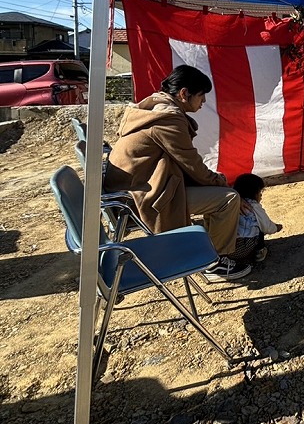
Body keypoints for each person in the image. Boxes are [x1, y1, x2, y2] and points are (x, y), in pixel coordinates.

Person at [103, 64, 247, 282]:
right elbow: (192, 165)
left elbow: (187, 166)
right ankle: (212, 261)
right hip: (139, 199)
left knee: (214, 186)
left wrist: (214, 181)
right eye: (201, 96)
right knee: (227, 199)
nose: (204, 102)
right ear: (183, 94)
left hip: (128, 192)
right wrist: (222, 183)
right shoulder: (168, 119)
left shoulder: (153, 107)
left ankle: (207, 248)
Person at [232, 173, 283, 264]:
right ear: (254, 193)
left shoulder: (231, 203)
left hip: (227, 249)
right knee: (259, 227)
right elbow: (267, 226)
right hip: (243, 248)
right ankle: (259, 251)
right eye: (260, 192)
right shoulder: (253, 206)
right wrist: (276, 228)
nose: (261, 195)